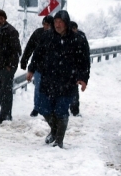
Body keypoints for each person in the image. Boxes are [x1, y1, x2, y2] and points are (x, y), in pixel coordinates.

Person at [26, 10, 89, 148]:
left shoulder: (77, 40)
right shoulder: (47, 37)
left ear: (66, 23)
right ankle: (54, 130)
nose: (57, 25)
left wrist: (83, 78)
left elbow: (84, 61)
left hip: (67, 82)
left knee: (61, 110)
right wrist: (31, 69)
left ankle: (59, 140)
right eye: (55, 22)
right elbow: (37, 54)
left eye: (60, 22)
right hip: (48, 79)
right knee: (43, 108)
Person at [0, 9, 21, 125]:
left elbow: (16, 50)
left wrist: (10, 66)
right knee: (1, 90)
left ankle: (5, 116)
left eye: (1, 18)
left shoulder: (11, 31)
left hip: (6, 67)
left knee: (5, 91)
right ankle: (5, 114)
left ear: (5, 19)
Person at [19, 15, 53, 117]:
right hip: (39, 66)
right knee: (38, 88)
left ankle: (49, 107)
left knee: (51, 89)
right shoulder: (38, 33)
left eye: (48, 25)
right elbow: (30, 47)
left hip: (52, 69)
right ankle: (36, 108)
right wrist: (24, 60)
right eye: (44, 24)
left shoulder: (56, 35)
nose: (46, 27)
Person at [69, 21, 90, 117]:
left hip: (74, 68)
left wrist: (83, 76)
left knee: (73, 89)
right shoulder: (79, 37)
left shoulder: (80, 38)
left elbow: (85, 57)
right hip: (70, 67)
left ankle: (74, 110)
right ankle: (73, 110)